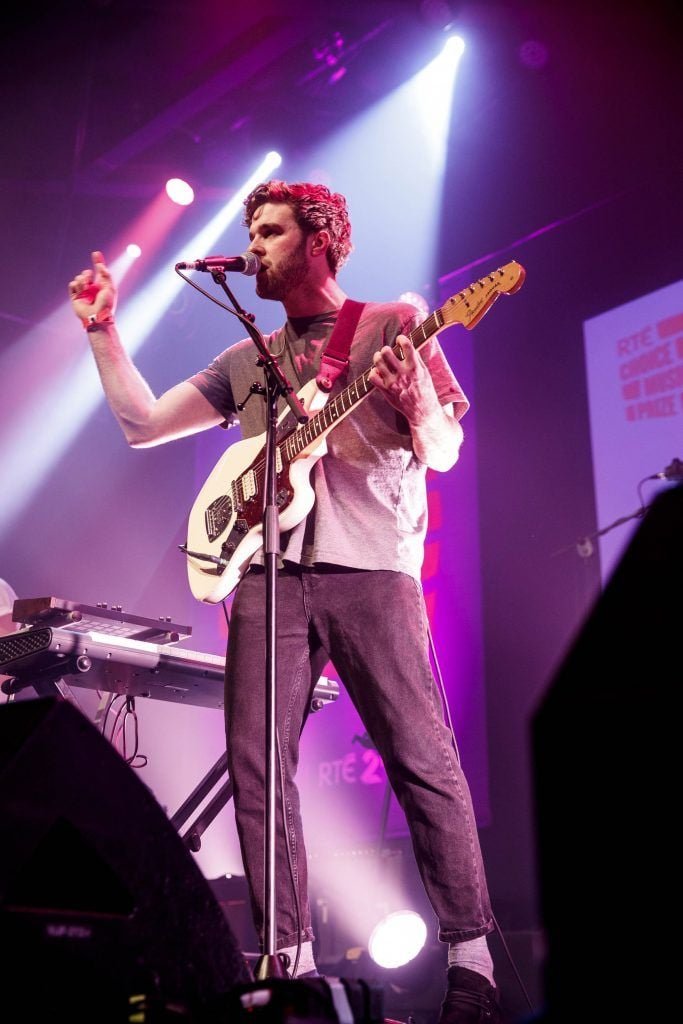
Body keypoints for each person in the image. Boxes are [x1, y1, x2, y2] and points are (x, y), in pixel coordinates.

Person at [68, 180, 501, 1024]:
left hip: (372, 571)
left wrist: (415, 403)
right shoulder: (246, 362)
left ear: (320, 240)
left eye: (268, 232)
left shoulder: (394, 324)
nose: (253, 245)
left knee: (422, 760)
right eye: (251, 232)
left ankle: (472, 966)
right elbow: (142, 423)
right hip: (267, 579)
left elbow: (445, 449)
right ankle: (288, 965)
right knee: (257, 768)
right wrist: (103, 330)